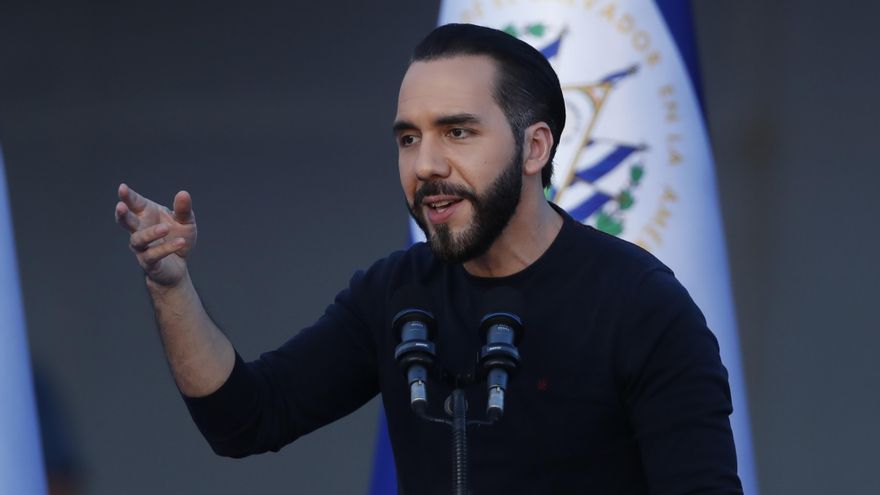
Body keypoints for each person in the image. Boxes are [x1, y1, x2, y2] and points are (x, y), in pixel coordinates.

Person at [115, 24, 743, 494]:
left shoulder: (640, 305)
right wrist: (172, 287)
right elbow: (245, 422)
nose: (426, 165)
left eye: (458, 132)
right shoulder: (395, 293)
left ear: (534, 147)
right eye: (409, 138)